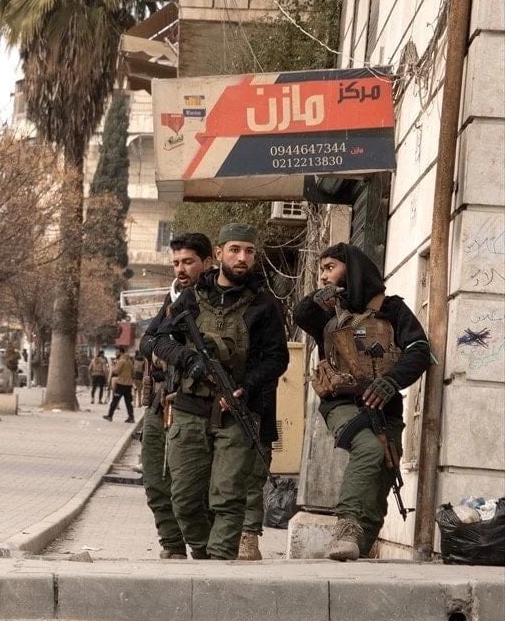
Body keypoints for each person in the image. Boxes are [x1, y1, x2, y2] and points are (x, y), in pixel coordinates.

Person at [150, 223, 288, 560]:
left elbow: (277, 358)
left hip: (236, 413)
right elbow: (158, 340)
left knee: (227, 498)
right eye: (235, 250)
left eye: (249, 251)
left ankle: (218, 561)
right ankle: (203, 553)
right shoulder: (192, 298)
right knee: (184, 499)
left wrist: (245, 387)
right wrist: (190, 361)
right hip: (190, 409)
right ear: (219, 253)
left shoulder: (264, 305)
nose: (242, 258)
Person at [293, 243, 430, 561]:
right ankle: (346, 527)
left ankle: (357, 548)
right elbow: (301, 314)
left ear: (352, 270)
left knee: (381, 476)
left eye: (330, 268)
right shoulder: (326, 313)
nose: (323, 276)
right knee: (368, 448)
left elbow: (420, 349)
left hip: (384, 408)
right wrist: (318, 298)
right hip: (342, 404)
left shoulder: (392, 309)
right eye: (321, 270)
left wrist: (391, 381)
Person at [136, 232, 214, 559]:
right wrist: (170, 354)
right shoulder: (173, 299)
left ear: (207, 262)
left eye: (188, 262)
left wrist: (169, 352)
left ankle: (205, 550)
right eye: (176, 263)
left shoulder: (212, 301)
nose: (181, 269)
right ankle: (171, 544)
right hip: (162, 401)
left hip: (195, 405)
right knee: (155, 480)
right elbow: (147, 342)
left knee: (192, 490)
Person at [105, 348, 136, 422]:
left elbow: (116, 371)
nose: (116, 354)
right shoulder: (129, 361)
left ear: (121, 353)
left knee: (115, 400)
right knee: (128, 402)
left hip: (121, 383)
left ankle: (110, 416)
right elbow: (133, 373)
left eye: (117, 352)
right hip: (128, 384)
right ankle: (131, 417)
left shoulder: (121, 361)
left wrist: (112, 367)